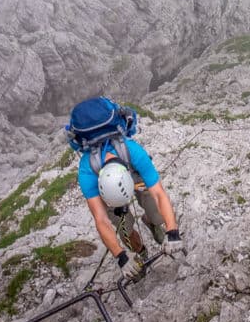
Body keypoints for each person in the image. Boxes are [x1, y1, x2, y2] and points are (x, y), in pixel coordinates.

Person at [68, 97, 184, 282]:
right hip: (108, 192)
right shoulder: (87, 171)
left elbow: (159, 193)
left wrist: (173, 232)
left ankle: (152, 222)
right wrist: (121, 256)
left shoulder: (133, 151)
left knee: (158, 215)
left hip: (135, 175)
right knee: (126, 231)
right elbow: (101, 219)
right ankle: (140, 251)